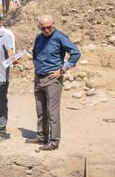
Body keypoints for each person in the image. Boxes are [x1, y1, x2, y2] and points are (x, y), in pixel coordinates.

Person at [28, 14, 80, 151]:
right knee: (41, 110)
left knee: (52, 112)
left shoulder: (60, 37)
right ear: (39, 27)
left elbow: (76, 53)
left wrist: (62, 70)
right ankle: (41, 136)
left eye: (49, 27)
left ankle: (54, 141)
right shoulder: (39, 38)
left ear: (53, 24)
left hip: (53, 79)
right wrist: (36, 66)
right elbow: (35, 53)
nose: (46, 30)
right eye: (43, 28)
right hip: (39, 78)